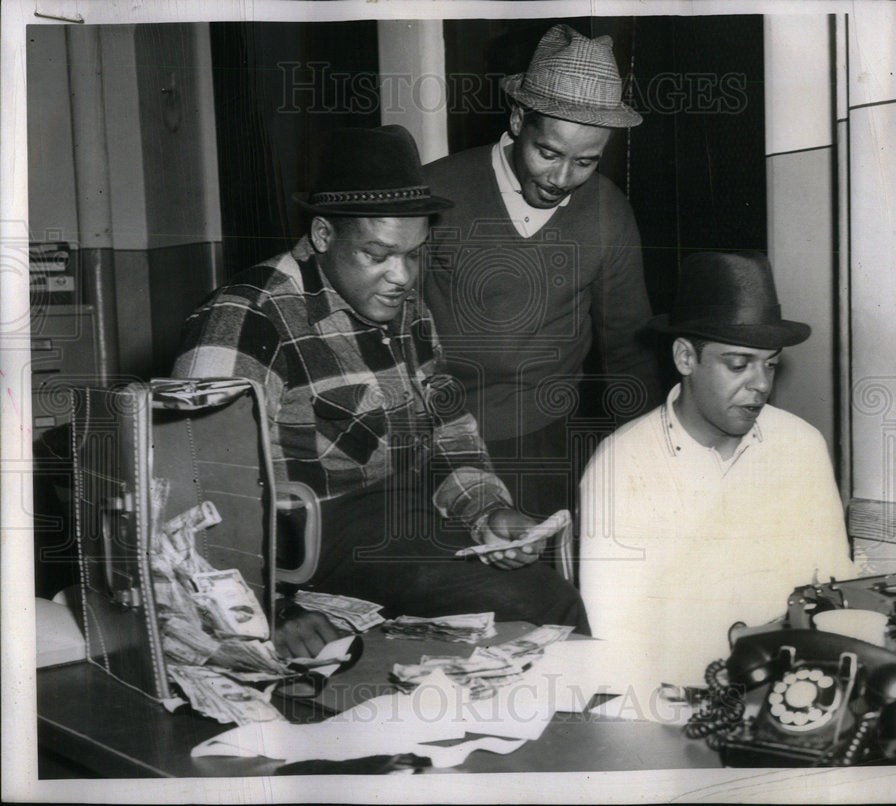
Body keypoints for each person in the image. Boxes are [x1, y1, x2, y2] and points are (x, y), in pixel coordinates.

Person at [173, 125, 589, 658]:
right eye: (378, 254)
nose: (402, 276)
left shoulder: (404, 310)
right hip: (303, 550)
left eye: (413, 255)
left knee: (547, 603)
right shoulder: (245, 315)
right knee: (540, 602)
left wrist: (488, 513)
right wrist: (264, 607)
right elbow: (193, 489)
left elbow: (447, 429)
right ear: (323, 236)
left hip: (399, 525)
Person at [578, 251, 858, 684]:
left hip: (797, 684)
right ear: (686, 358)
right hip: (670, 700)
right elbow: (616, 643)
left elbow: (835, 592)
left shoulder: (801, 445)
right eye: (738, 364)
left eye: (770, 364)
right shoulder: (622, 467)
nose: (761, 385)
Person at [422, 24, 662, 520]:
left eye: (586, 162)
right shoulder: (434, 193)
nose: (560, 179)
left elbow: (628, 353)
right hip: (436, 437)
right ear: (516, 120)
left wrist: (644, 466)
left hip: (547, 440)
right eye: (548, 153)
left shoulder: (608, 214)